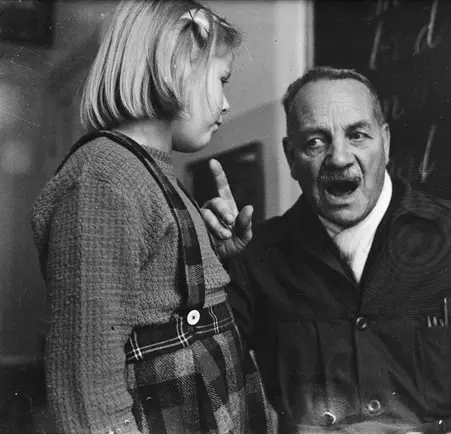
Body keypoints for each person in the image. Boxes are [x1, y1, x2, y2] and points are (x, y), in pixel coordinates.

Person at [200, 67, 451, 433]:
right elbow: (203, 377)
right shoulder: (254, 256)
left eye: (357, 135)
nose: (339, 158)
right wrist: (210, 262)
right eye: (315, 141)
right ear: (291, 156)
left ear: (386, 142)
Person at [30, 1, 272, 433]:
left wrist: (213, 253)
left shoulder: (151, 171)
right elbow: (87, 389)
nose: (226, 103)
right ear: (176, 63)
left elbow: (155, 293)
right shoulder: (102, 178)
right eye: (222, 80)